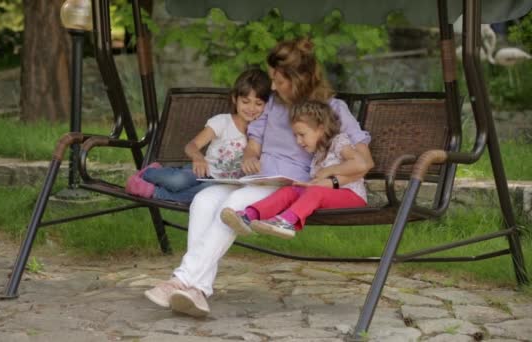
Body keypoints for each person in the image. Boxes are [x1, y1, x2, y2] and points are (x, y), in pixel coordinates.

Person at [144, 38, 374, 317]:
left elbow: (363, 161)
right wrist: (249, 156)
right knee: (204, 200)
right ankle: (197, 290)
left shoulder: (333, 108)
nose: (273, 87)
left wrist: (329, 179)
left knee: (236, 203)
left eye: (278, 80)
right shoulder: (275, 105)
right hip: (254, 178)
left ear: (299, 78)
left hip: (287, 185)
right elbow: (254, 142)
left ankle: (180, 281)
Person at [220, 100, 368, 239]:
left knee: (314, 192)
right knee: (289, 191)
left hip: (352, 196)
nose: (298, 141)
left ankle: (286, 222)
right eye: (296, 136)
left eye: (302, 135)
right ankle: (248, 216)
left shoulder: (338, 141)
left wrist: (329, 171)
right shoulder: (318, 153)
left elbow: (360, 164)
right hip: (327, 195)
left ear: (321, 129)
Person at [125, 68, 272, 203]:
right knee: (177, 182)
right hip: (203, 170)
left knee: (201, 195)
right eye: (246, 102)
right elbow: (192, 146)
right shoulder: (223, 122)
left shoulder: (264, 132)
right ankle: (149, 173)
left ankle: (152, 192)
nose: (251, 108)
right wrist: (198, 157)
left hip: (224, 185)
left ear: (267, 105)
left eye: (258, 104)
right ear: (235, 99)